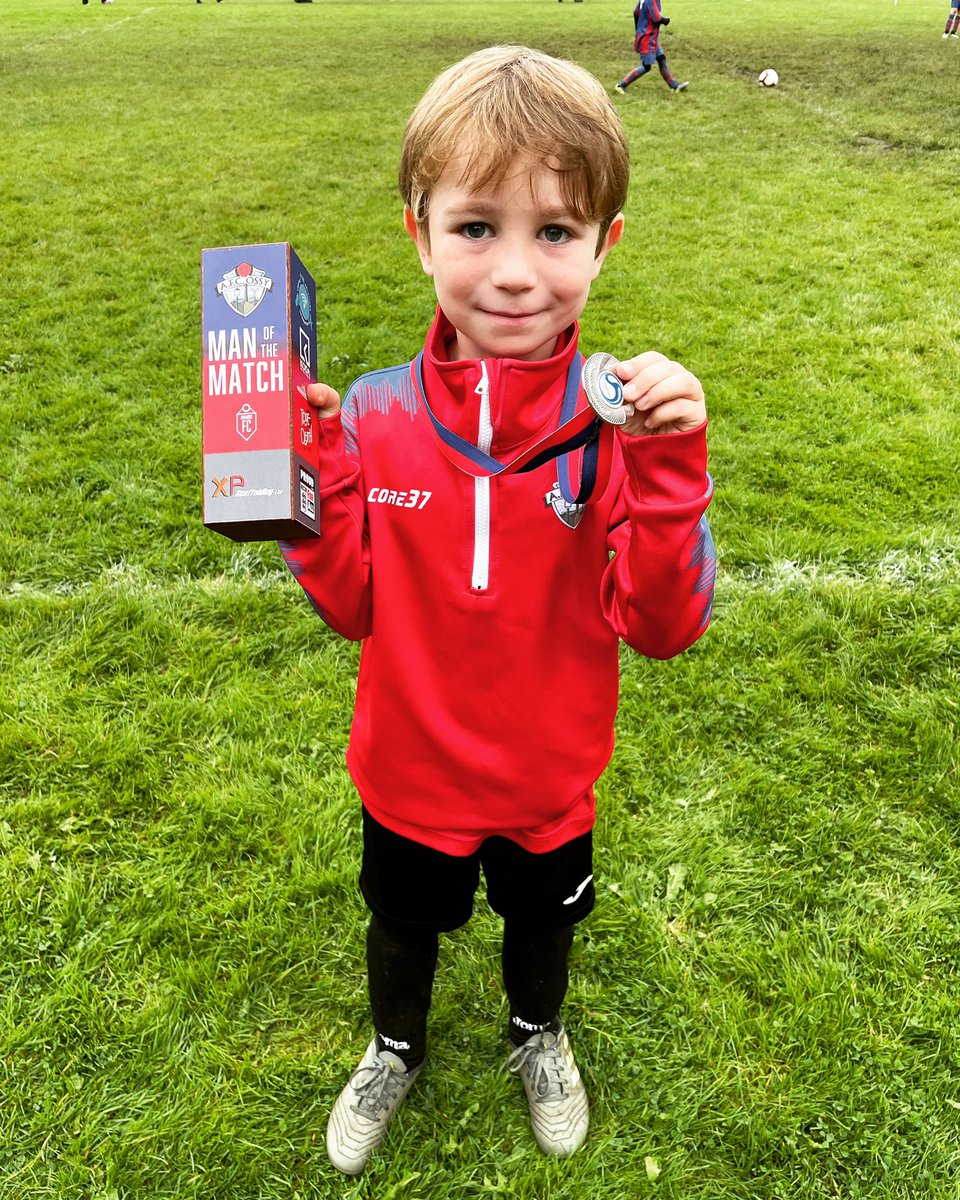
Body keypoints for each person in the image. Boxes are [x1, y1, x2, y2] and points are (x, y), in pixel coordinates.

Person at [280, 44, 714, 1175]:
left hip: (548, 776)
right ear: (418, 230)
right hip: (410, 767)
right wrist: (314, 480)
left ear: (605, 245)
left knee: (542, 923)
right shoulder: (373, 414)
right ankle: (394, 1045)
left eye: (555, 232)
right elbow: (353, 602)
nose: (516, 272)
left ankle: (538, 1033)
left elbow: (664, 626)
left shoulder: (620, 425)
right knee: (403, 922)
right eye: (477, 228)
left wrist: (670, 473)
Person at [615, 0, 688, 94]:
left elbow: (636, 12)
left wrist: (639, 29)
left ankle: (674, 87)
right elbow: (656, 17)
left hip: (649, 37)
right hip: (647, 39)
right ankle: (621, 85)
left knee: (661, 59)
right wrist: (666, 20)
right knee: (646, 66)